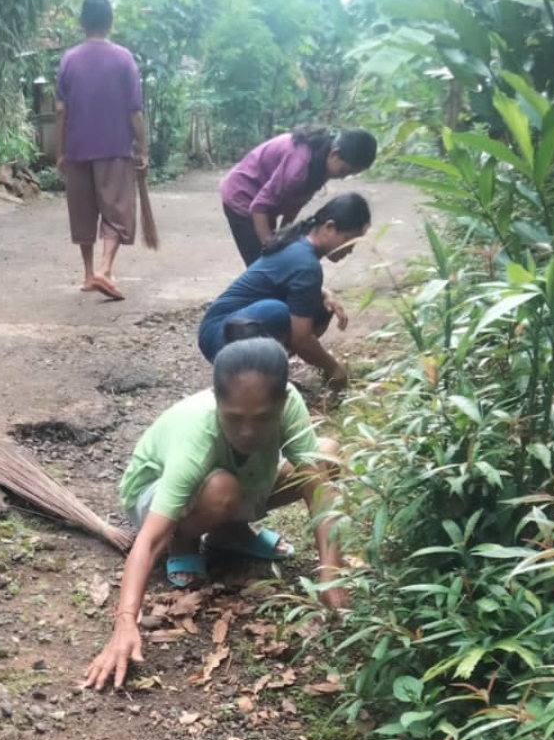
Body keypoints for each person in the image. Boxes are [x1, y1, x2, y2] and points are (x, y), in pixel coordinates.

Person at [84, 331, 348, 692]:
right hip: (154, 499)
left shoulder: (290, 405)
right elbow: (148, 540)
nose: (248, 432)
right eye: (234, 417)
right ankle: (188, 540)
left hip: (235, 481)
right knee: (220, 488)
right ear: (217, 402)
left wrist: (330, 571)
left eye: (262, 418)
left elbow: (319, 493)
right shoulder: (197, 432)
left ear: (283, 401)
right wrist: (125, 622)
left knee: (325, 457)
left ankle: (229, 532)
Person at [197, 193, 372, 387]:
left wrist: (325, 293)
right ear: (329, 227)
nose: (350, 250)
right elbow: (301, 339)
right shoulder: (306, 264)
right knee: (278, 312)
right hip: (219, 334)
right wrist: (334, 369)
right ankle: (252, 376)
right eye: (348, 240)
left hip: (223, 326)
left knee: (321, 308)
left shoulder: (299, 245)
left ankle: (268, 372)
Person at [55, 0, 148, 302]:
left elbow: (59, 110)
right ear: (110, 21)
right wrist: (143, 147)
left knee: (83, 211)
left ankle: (87, 273)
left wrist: (60, 150)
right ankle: (105, 269)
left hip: (77, 148)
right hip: (114, 147)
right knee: (117, 211)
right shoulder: (123, 58)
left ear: (82, 22)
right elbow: (134, 112)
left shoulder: (69, 59)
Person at [221, 125, 377, 267]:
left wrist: (282, 238)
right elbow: (259, 207)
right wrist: (270, 248)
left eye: (349, 174)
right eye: (344, 171)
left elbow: (294, 203)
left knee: (275, 261)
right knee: (263, 266)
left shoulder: (322, 162)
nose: (343, 177)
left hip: (263, 199)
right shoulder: (298, 168)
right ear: (334, 153)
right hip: (242, 194)